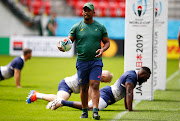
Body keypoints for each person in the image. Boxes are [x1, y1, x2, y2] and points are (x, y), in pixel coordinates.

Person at [58, 2, 110, 119]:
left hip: (96, 61)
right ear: (82, 12)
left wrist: (103, 49)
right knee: (84, 87)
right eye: (84, 10)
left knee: (95, 85)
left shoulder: (100, 27)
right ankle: (85, 111)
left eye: (88, 10)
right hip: (82, 61)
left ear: (93, 12)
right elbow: (68, 42)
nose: (86, 12)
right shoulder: (76, 27)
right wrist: (62, 47)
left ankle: (95, 111)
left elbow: (107, 42)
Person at [49, 67, 151, 112]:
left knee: (89, 107)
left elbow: (127, 92)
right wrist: (130, 109)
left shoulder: (133, 74)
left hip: (108, 94)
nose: (146, 80)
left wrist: (127, 108)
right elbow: (129, 93)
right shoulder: (132, 76)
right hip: (107, 94)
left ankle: (60, 102)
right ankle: (61, 102)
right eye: (146, 78)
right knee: (90, 107)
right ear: (142, 73)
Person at [26, 70, 113, 109]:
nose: (103, 82)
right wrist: (89, 104)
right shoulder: (94, 74)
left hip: (70, 87)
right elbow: (88, 90)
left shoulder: (95, 72)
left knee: (59, 99)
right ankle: (36, 95)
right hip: (66, 85)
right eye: (104, 81)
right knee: (60, 100)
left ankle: (37, 95)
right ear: (104, 76)